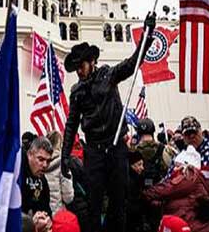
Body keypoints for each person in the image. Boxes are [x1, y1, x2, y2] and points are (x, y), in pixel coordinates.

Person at [60, 12, 156, 232]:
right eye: (75, 68)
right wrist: (65, 156)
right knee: (94, 202)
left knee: (118, 200)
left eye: (81, 66)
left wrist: (147, 36)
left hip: (115, 148)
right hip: (93, 151)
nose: (78, 71)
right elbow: (71, 124)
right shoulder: (77, 91)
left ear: (91, 62)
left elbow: (133, 63)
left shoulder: (109, 75)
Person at [144, 146, 209, 232]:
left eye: (177, 166)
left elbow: (167, 190)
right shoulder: (195, 179)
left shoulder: (190, 176)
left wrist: (145, 194)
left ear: (186, 166)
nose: (174, 169)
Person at [22, 136, 53, 217]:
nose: (45, 165)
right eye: (41, 159)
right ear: (29, 154)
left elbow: (46, 208)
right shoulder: (18, 172)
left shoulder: (42, 180)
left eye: (48, 161)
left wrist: (46, 219)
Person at [45, 131, 74, 215]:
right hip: (58, 215)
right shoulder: (63, 165)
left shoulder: (39, 162)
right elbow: (68, 198)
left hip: (41, 216)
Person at [127, 150, 150, 232]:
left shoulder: (137, 178)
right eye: (139, 165)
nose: (142, 168)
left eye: (142, 164)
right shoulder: (131, 183)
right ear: (131, 165)